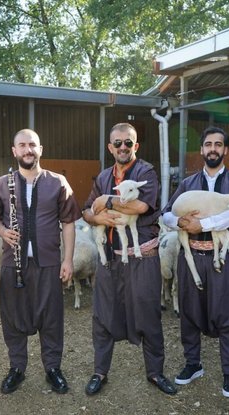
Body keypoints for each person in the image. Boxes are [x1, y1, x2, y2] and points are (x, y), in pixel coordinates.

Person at [82, 122, 177, 396]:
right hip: (109, 258)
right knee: (102, 315)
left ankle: (155, 372)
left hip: (141, 256)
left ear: (136, 146)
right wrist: (96, 216)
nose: (123, 147)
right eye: (118, 143)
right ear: (110, 147)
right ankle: (100, 371)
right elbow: (86, 209)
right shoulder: (102, 176)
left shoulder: (145, 172)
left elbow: (141, 206)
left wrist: (108, 201)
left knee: (148, 313)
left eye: (128, 142)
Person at [0, 129, 81, 394]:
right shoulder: (1, 183)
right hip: (12, 263)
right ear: (14, 151)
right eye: (22, 145)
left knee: (52, 318)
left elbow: (69, 223)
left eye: (32, 145)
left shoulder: (58, 182)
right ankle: (17, 368)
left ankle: (53, 368)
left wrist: (68, 260)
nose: (28, 150)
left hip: (49, 263)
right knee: (12, 317)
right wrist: (2, 231)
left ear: (40, 149)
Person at [161, 126, 229, 398]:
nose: (213, 149)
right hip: (192, 257)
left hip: (221, 257)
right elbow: (166, 215)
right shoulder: (187, 184)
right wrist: (181, 222)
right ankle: (192, 364)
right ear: (201, 150)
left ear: (225, 150)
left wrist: (203, 224)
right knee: (189, 312)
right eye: (208, 144)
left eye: (218, 144)